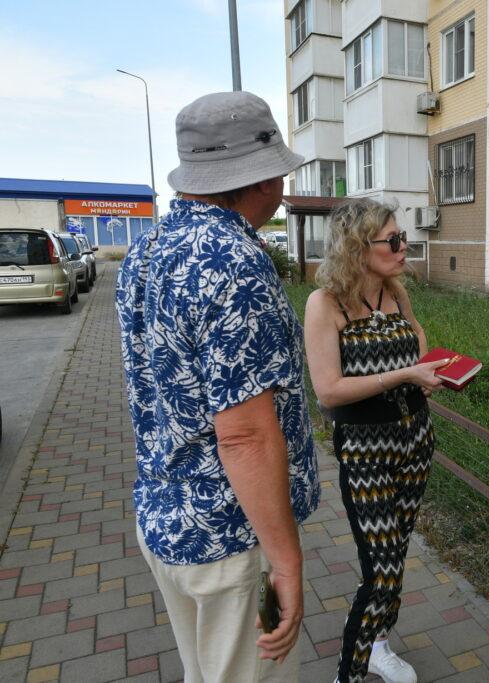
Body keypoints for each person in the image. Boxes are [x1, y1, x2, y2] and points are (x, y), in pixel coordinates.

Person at [116, 91, 320, 681]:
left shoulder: (147, 249)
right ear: (263, 179)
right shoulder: (233, 262)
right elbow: (244, 437)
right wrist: (286, 563)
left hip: (168, 519)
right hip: (231, 538)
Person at [304, 199, 450, 683]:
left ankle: (380, 645)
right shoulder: (325, 303)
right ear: (357, 246)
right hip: (366, 451)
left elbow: (417, 342)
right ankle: (348, 672)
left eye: (401, 237)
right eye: (393, 240)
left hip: (415, 442)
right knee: (381, 567)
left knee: (397, 552)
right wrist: (404, 374)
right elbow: (328, 390)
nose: (404, 246)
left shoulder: (396, 293)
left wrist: (428, 374)